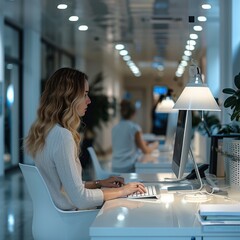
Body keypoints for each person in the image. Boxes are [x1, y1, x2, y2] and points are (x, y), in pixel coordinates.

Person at [24, 68, 146, 211]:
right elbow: (80, 199)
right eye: (85, 94)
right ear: (69, 97)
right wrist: (123, 191)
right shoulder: (63, 137)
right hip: (73, 220)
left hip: (58, 218)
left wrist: (99, 183)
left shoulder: (46, 132)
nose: (89, 101)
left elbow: (65, 186)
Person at [111, 99, 159, 173]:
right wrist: (155, 145)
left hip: (115, 167)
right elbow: (146, 151)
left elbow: (125, 143)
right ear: (134, 113)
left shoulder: (114, 128)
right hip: (128, 167)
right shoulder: (134, 128)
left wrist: (141, 143)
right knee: (150, 163)